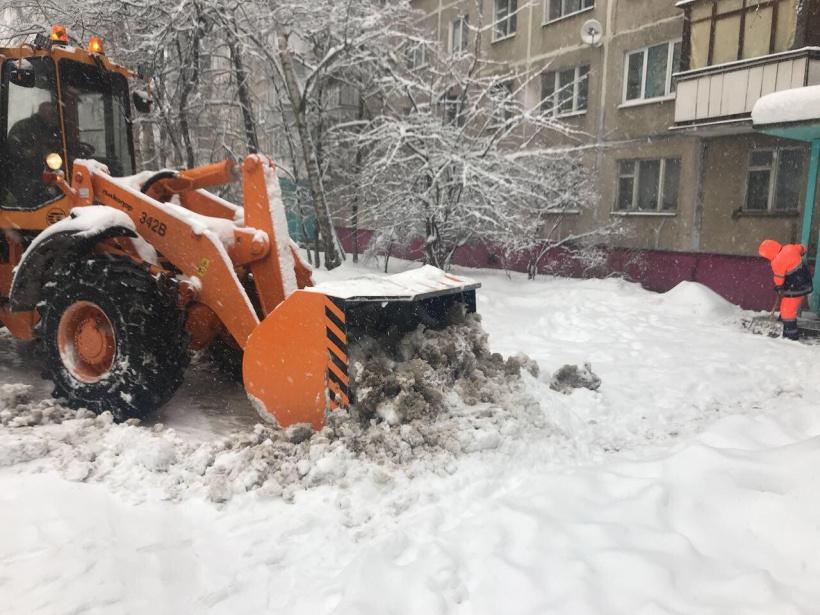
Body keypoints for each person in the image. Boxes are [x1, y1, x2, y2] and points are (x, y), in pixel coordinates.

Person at [5, 101, 62, 206]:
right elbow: (12, 148)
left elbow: (60, 148)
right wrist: (28, 153)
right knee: (28, 203)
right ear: (41, 111)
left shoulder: (57, 129)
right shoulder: (23, 127)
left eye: (53, 113)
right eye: (49, 112)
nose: (52, 115)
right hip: (25, 174)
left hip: (51, 174)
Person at [758, 239, 813, 340]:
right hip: (805, 282)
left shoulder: (777, 262)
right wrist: (803, 250)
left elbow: (779, 278)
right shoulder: (789, 248)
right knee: (788, 305)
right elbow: (801, 248)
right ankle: (783, 322)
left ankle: (791, 336)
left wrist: (779, 287)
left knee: (787, 311)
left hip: (795, 288)